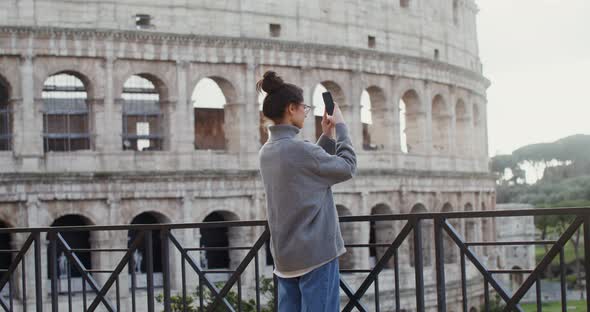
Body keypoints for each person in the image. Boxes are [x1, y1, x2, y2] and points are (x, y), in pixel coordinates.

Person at [257, 71, 357, 311]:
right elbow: (347, 167)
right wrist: (342, 127)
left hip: (286, 258)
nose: (306, 111)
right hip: (315, 255)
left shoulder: (267, 151)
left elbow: (305, 173)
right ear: (291, 108)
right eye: (304, 107)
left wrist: (326, 136)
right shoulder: (300, 149)